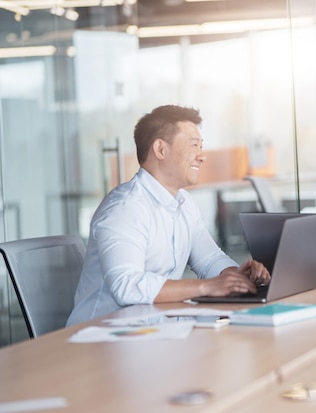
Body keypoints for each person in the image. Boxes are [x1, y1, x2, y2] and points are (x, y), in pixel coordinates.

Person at [67, 105, 269, 326]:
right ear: (161, 150)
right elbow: (127, 285)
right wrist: (208, 286)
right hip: (102, 338)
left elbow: (209, 259)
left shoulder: (183, 203)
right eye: (194, 145)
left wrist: (238, 277)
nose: (202, 156)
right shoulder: (126, 208)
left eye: (201, 146)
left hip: (155, 331)